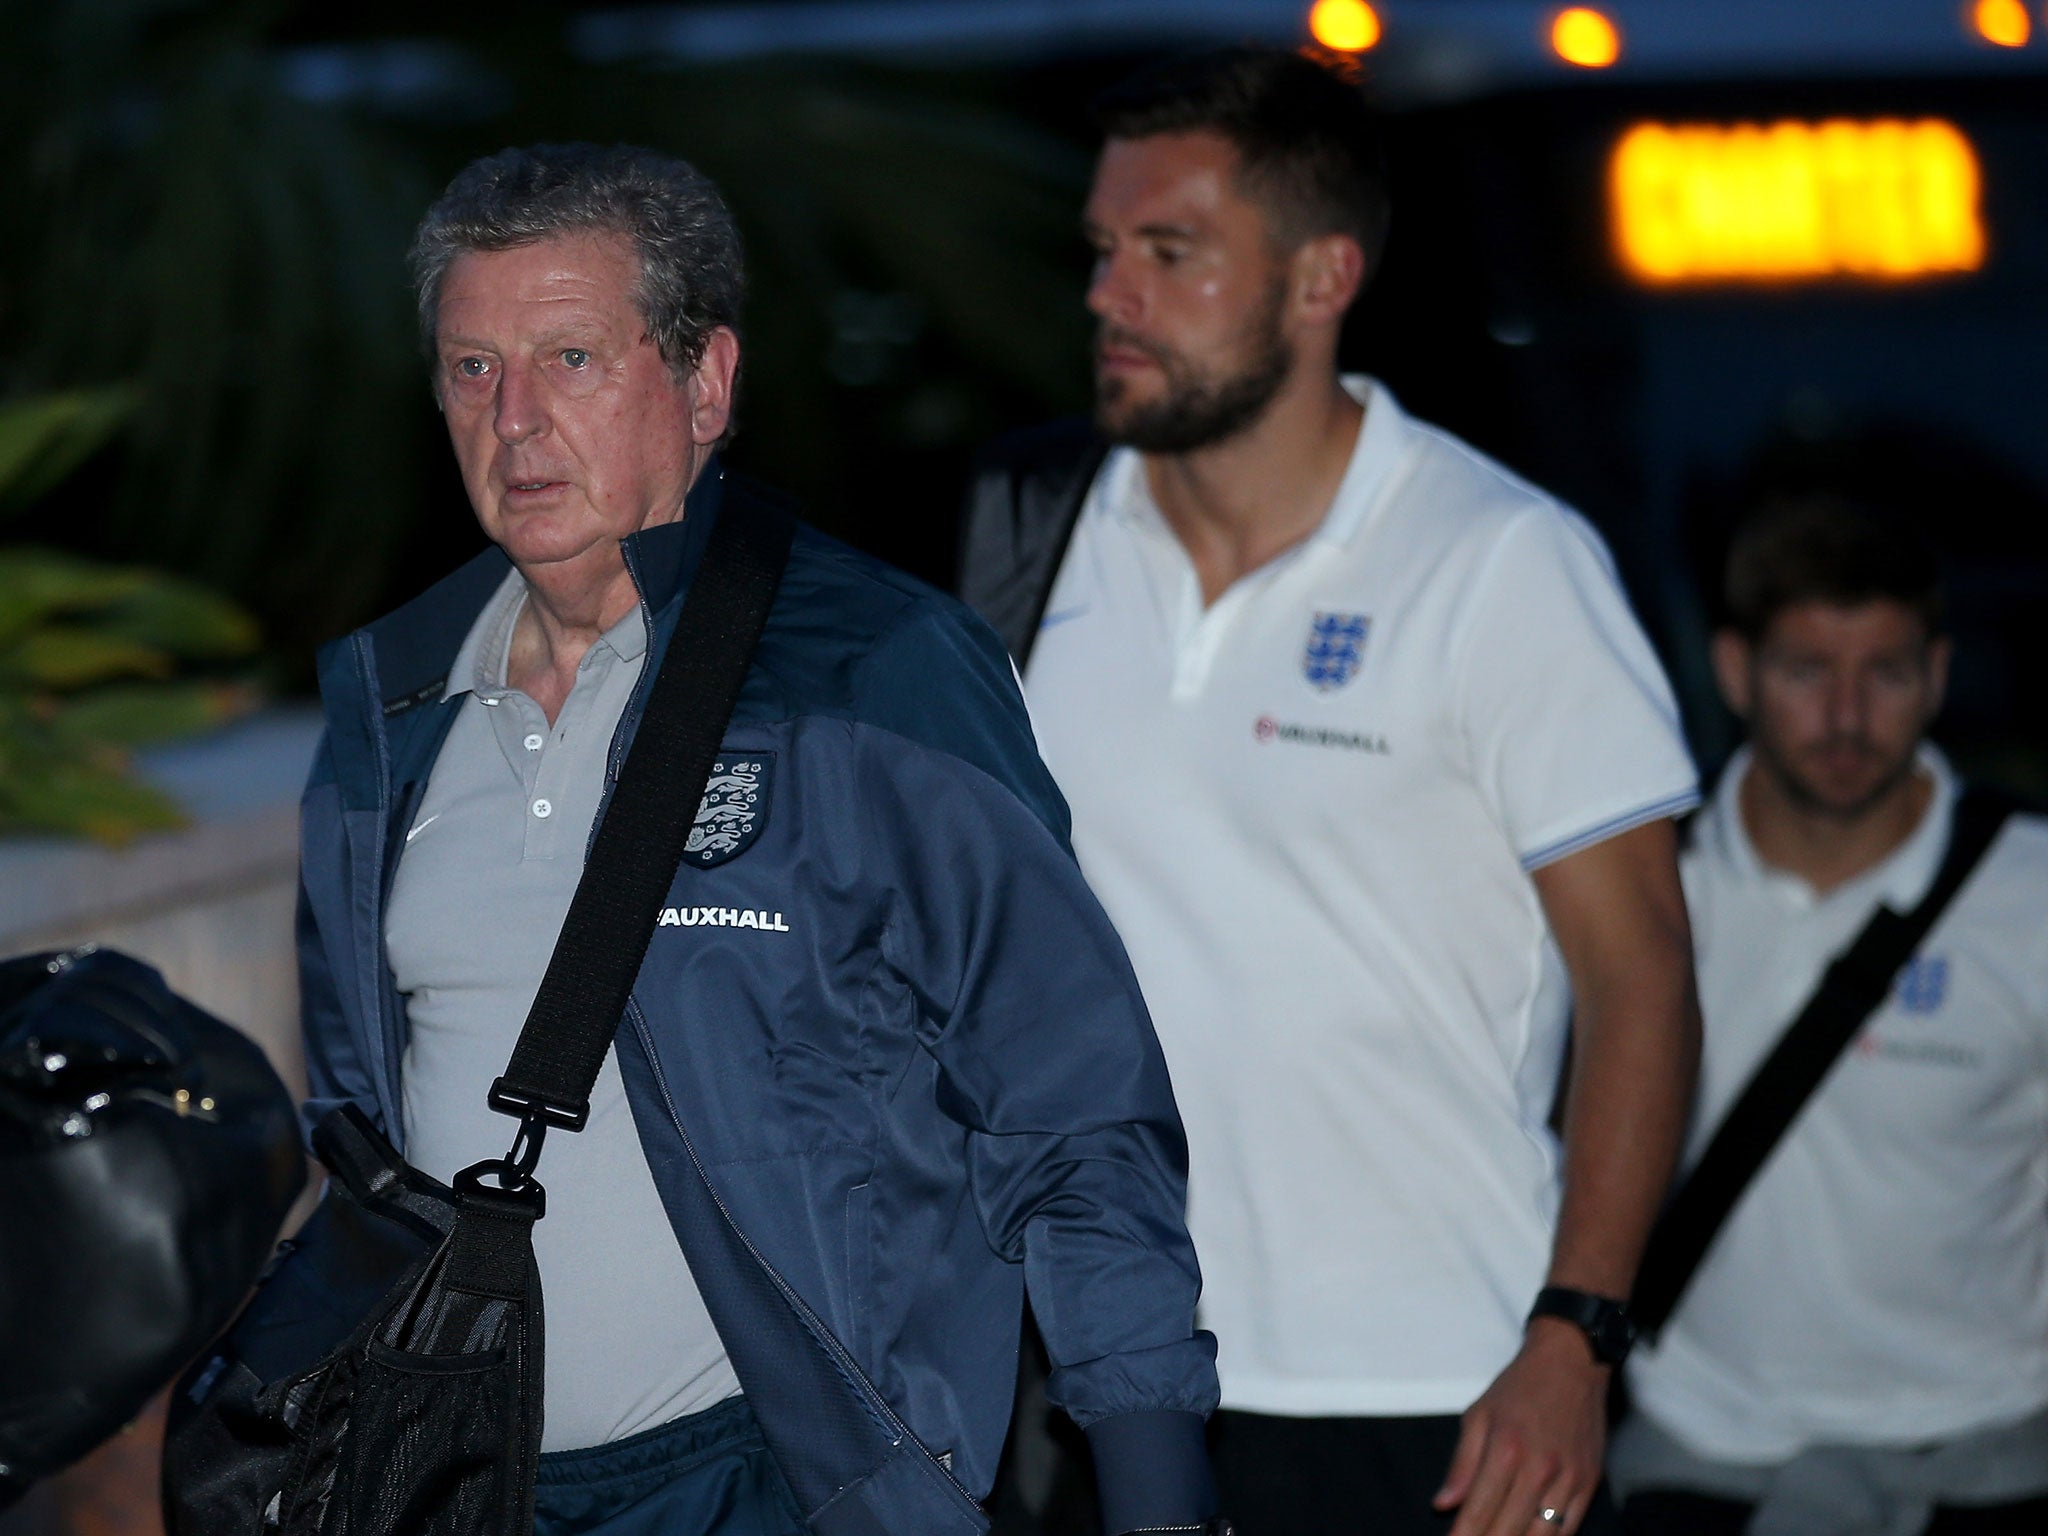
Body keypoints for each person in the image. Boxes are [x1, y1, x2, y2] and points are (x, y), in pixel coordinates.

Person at [293, 142, 1224, 1536]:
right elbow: (361, 1135)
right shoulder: (389, 711)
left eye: (573, 359)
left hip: (784, 1484)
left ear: (706, 383)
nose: (517, 421)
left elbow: (1071, 1111)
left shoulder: (877, 673)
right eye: (474, 368)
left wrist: (1156, 1490)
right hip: (463, 1482)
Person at [959, 48, 1702, 1536]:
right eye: (1104, 252)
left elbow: (1645, 982)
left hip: (1441, 1399)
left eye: (1171, 254)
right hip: (1107, 1384)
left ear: (1321, 280)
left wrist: (1579, 1336)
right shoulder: (1029, 547)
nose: (1112, 296)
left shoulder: (1500, 562)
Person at [1610, 498, 2048, 1535]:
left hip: (1983, 1455)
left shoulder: (2028, 895)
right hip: (1700, 1453)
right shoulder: (1642, 892)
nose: (1845, 716)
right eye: (1805, 672)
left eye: (1884, 673)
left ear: (1935, 676)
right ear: (1731, 671)